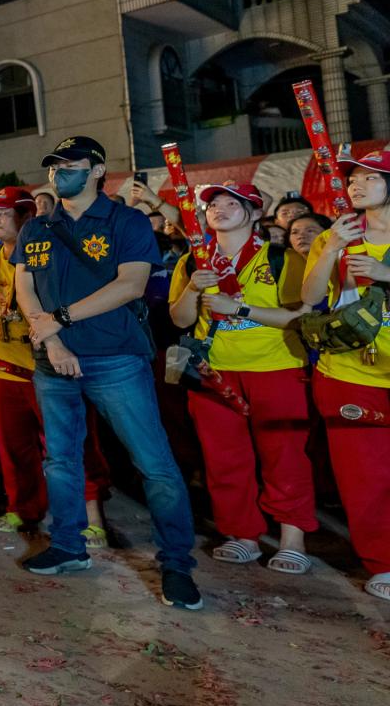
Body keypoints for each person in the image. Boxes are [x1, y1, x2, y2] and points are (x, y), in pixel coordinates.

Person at [14, 135, 202, 609]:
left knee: (153, 462)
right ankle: (69, 546)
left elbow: (131, 285)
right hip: (52, 361)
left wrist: (61, 319)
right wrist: (53, 340)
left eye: (71, 165)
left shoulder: (127, 221)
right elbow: (26, 289)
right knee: (60, 459)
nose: (59, 173)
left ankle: (177, 563)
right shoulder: (36, 228)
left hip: (116, 357)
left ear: (97, 170)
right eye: (54, 167)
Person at [167, 181, 315, 574]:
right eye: (213, 203)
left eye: (232, 203)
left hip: (276, 366)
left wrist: (241, 308)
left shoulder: (281, 257)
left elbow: (300, 319)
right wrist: (191, 292)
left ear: (253, 213)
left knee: (284, 455)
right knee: (224, 458)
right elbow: (180, 320)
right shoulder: (191, 262)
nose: (219, 208)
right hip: (213, 371)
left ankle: (292, 538)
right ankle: (242, 535)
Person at [301, 149, 390, 602]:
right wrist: (331, 247)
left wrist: (383, 272)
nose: (355, 184)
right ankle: (382, 563)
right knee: (365, 476)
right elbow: (310, 296)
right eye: (352, 177)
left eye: (369, 177)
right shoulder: (338, 235)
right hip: (351, 372)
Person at [0, 188, 55, 534]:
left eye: (3, 214)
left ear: (26, 218)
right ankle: (22, 507)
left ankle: (76, 516)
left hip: (42, 367)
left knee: (60, 448)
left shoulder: (45, 256)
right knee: (11, 446)